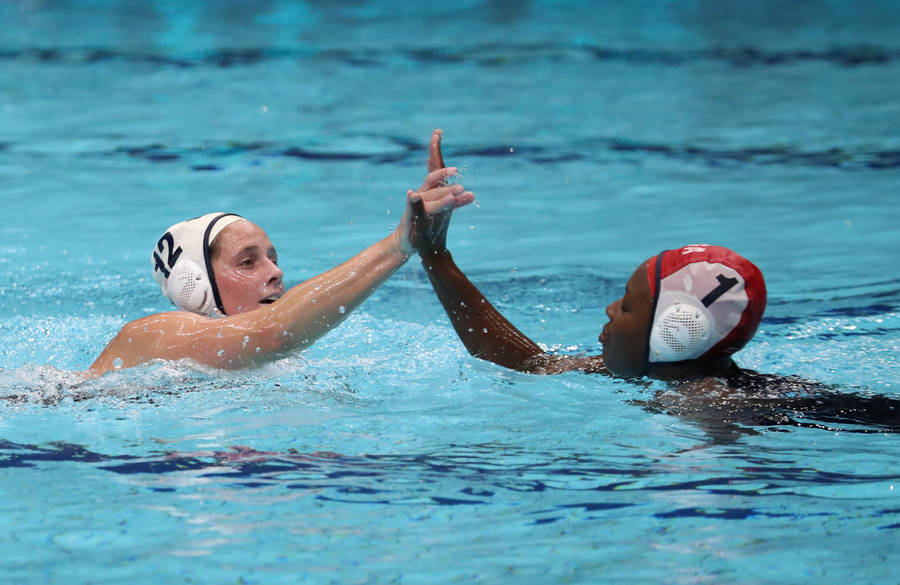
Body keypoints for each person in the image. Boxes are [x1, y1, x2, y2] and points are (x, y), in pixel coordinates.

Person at [87, 130, 474, 377]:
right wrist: (398, 245)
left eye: (272, 257)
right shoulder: (152, 334)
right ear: (194, 285)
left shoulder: (275, 367)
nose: (275, 272)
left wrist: (433, 252)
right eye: (247, 261)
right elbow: (273, 334)